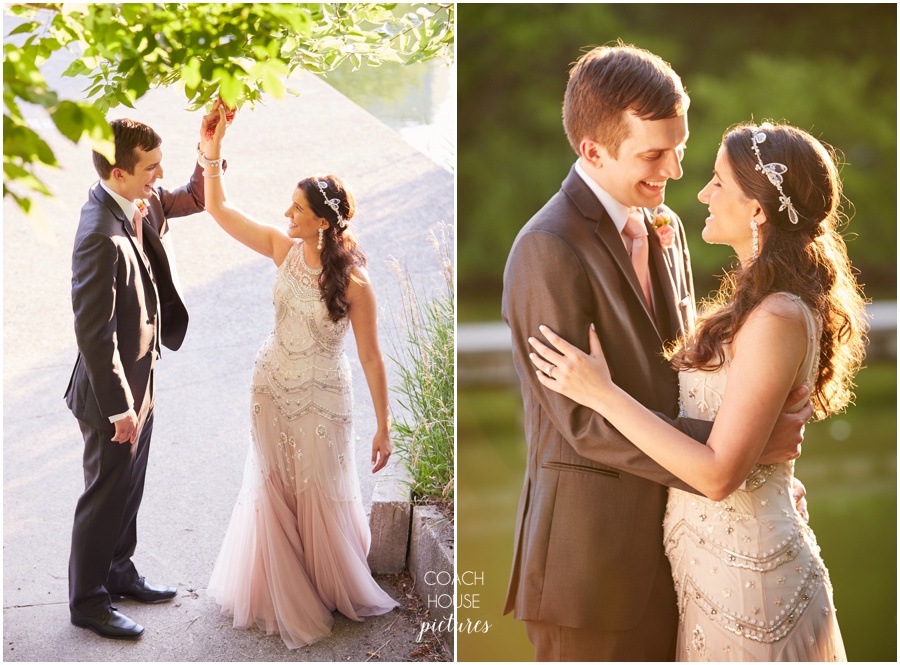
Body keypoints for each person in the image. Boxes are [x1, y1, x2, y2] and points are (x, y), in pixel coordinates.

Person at [501, 43, 812, 661]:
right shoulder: (547, 249)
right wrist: (736, 457)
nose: (673, 171)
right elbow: (581, 419)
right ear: (593, 150)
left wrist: (741, 457)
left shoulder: (663, 229)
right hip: (592, 568)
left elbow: (676, 373)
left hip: (685, 555)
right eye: (653, 154)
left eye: (680, 148)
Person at [529, 121, 864, 660]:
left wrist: (602, 392)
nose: (702, 192)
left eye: (718, 183)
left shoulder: (777, 315)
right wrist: (758, 457)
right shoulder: (753, 306)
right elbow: (727, 438)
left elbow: (715, 474)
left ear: (758, 210)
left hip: (754, 584)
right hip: (707, 573)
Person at [199, 103, 398, 649]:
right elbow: (217, 208)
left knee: (318, 490)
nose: (287, 214)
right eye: (288, 205)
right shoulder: (280, 249)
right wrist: (211, 148)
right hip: (269, 387)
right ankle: (281, 589)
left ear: (325, 221)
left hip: (323, 398)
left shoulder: (355, 282)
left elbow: (372, 358)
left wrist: (384, 426)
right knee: (272, 487)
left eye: (297, 208)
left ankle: (326, 583)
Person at [66, 118, 211, 639]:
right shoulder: (97, 235)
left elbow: (196, 195)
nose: (159, 175)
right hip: (113, 397)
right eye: (151, 168)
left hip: (141, 379)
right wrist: (119, 408)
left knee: (129, 488)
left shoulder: (132, 203)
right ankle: (88, 600)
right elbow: (94, 334)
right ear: (122, 172)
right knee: (104, 494)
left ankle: (119, 571)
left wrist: (211, 145)